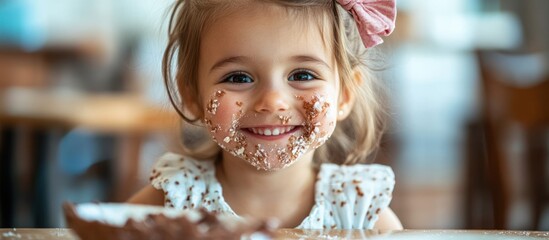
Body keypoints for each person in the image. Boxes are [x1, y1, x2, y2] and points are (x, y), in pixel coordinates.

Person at [129, 0, 403, 230]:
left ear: (344, 95)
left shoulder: (361, 212)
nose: (272, 102)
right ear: (191, 96)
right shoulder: (173, 203)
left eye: (302, 75)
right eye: (238, 77)